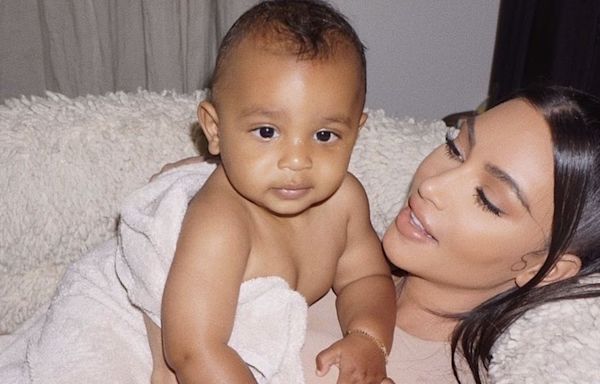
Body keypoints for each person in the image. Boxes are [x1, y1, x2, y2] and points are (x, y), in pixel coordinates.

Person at [145, 1, 397, 383]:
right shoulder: (221, 223)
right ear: (214, 129)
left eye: (324, 135)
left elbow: (367, 279)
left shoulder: (345, 201)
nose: (297, 160)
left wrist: (368, 337)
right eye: (267, 131)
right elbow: (194, 349)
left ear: (356, 132)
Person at [297, 85, 600, 384]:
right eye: (455, 149)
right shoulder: (318, 244)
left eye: (487, 199)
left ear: (545, 269)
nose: (432, 186)